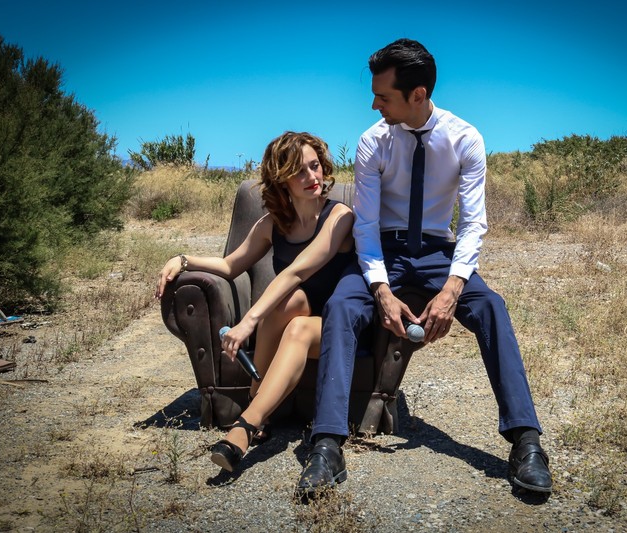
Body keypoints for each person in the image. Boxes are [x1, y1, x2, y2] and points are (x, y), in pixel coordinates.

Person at [296, 39, 553, 497]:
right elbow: (366, 225)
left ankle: (526, 442)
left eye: (383, 96)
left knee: (491, 306)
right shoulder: (373, 141)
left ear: (417, 94)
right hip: (383, 251)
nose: (374, 105)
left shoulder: (465, 138)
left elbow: (473, 224)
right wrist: (380, 290)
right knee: (341, 305)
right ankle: (327, 444)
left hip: (439, 253)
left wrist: (452, 289)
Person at [156, 131, 355, 473]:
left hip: (338, 327)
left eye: (315, 166)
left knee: (293, 308)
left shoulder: (340, 217)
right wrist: (183, 260)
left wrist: (248, 322)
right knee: (290, 306)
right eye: (299, 171)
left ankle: (247, 423)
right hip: (296, 318)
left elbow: (297, 271)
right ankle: (257, 397)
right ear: (282, 180)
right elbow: (230, 265)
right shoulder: (272, 224)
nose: (312, 176)